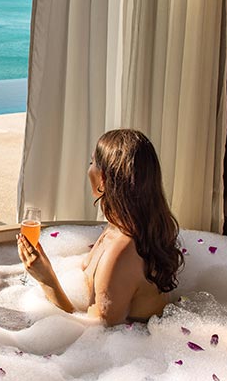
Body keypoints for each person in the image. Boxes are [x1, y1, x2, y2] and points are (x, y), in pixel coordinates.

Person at [17, 129, 182, 326]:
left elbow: (93, 334)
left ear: (102, 179)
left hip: (128, 348)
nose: (88, 169)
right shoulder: (122, 225)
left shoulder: (122, 251)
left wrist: (46, 278)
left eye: (91, 163)